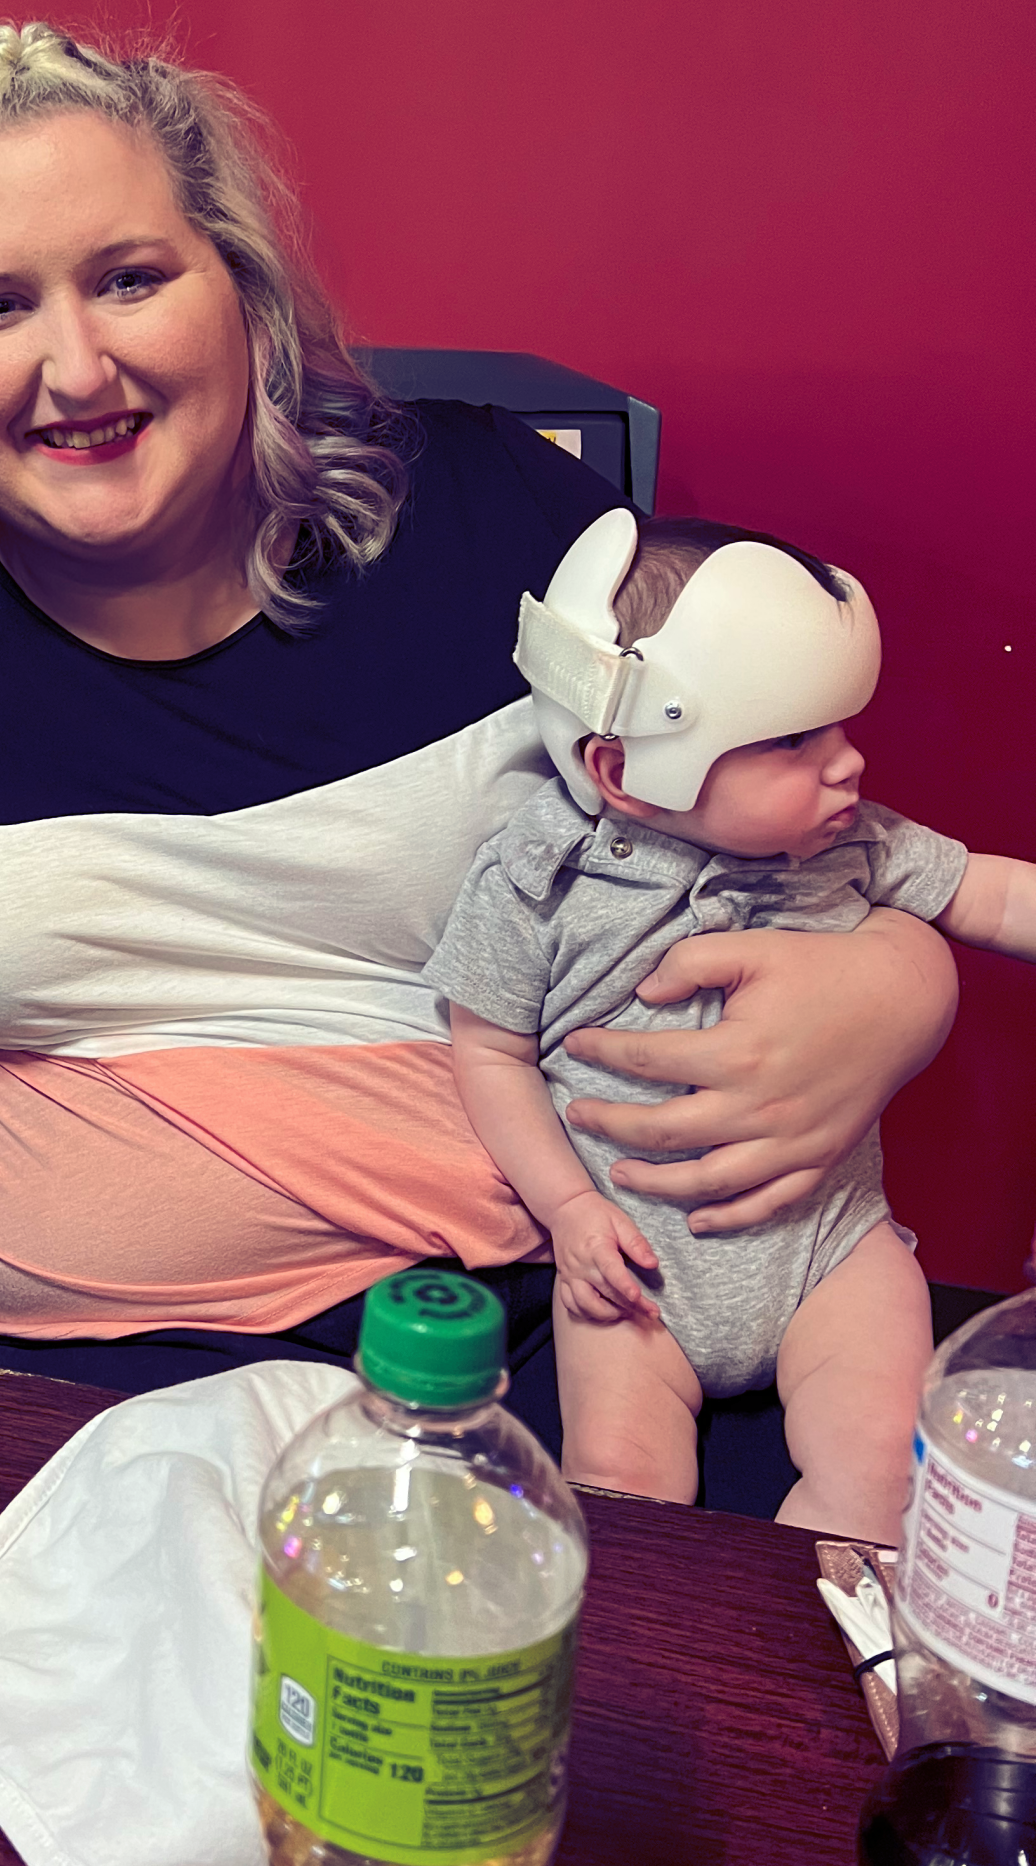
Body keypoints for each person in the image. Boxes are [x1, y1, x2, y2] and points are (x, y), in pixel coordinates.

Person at [0, 19, 958, 1451]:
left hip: (572, 1325)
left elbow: (791, 812)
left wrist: (899, 979)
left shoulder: (496, 517)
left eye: (130, 278)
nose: (75, 367)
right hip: (78, 1391)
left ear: (240, 293)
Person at [428, 510, 1036, 1543]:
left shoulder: (853, 845)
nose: (847, 763)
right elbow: (489, 1051)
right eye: (795, 740)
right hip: (633, 1272)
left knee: (892, 1468)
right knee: (620, 1493)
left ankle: (818, 1658)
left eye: (841, 728)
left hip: (830, 1253)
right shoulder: (540, 880)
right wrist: (571, 1210)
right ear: (627, 770)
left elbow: (987, 892)